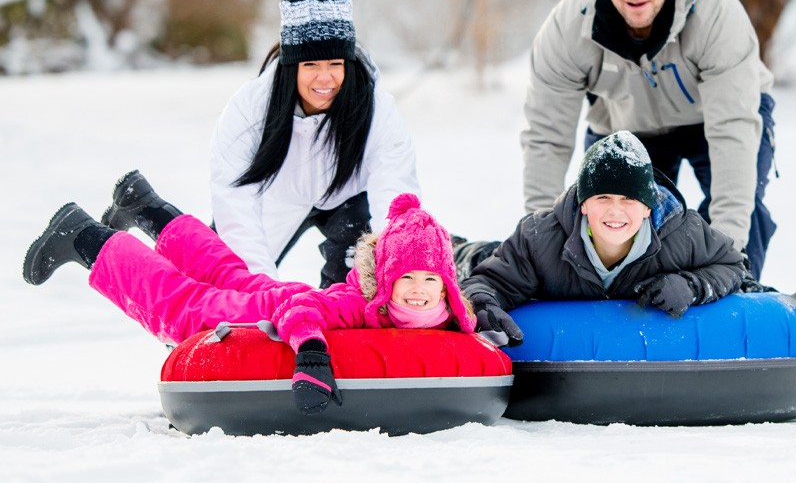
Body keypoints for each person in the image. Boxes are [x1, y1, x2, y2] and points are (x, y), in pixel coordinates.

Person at [22, 172, 474, 414]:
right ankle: (83, 236)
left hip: (275, 291)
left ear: (446, 287)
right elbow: (303, 309)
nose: (417, 293)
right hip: (277, 308)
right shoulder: (361, 305)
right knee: (185, 308)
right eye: (406, 280)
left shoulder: (448, 313)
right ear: (387, 279)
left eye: (429, 281)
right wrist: (313, 355)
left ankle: (146, 206)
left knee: (226, 272)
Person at [521, 0, 777, 278]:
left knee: (740, 213)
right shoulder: (567, 30)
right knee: (620, 222)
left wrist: (726, 257)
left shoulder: (717, 16)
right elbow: (546, 136)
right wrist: (539, 240)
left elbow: (733, 131)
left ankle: (735, 295)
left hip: (718, 120)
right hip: (627, 125)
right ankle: (632, 310)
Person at [456, 131, 748, 347]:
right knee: (480, 257)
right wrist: (483, 306)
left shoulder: (683, 233)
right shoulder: (539, 238)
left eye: (629, 199)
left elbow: (734, 266)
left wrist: (690, 286)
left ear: (648, 206)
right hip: (521, 262)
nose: (616, 211)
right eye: (603, 197)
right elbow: (488, 283)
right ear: (584, 203)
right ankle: (456, 247)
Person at [210, 0, 419, 288]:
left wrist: (398, 267)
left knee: (356, 287)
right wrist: (261, 293)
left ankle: (340, 314)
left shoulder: (374, 106)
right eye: (311, 65)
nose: (325, 78)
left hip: (346, 197)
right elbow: (234, 199)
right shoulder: (250, 107)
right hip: (275, 199)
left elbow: (395, 190)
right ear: (292, 66)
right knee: (219, 283)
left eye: (335, 64)